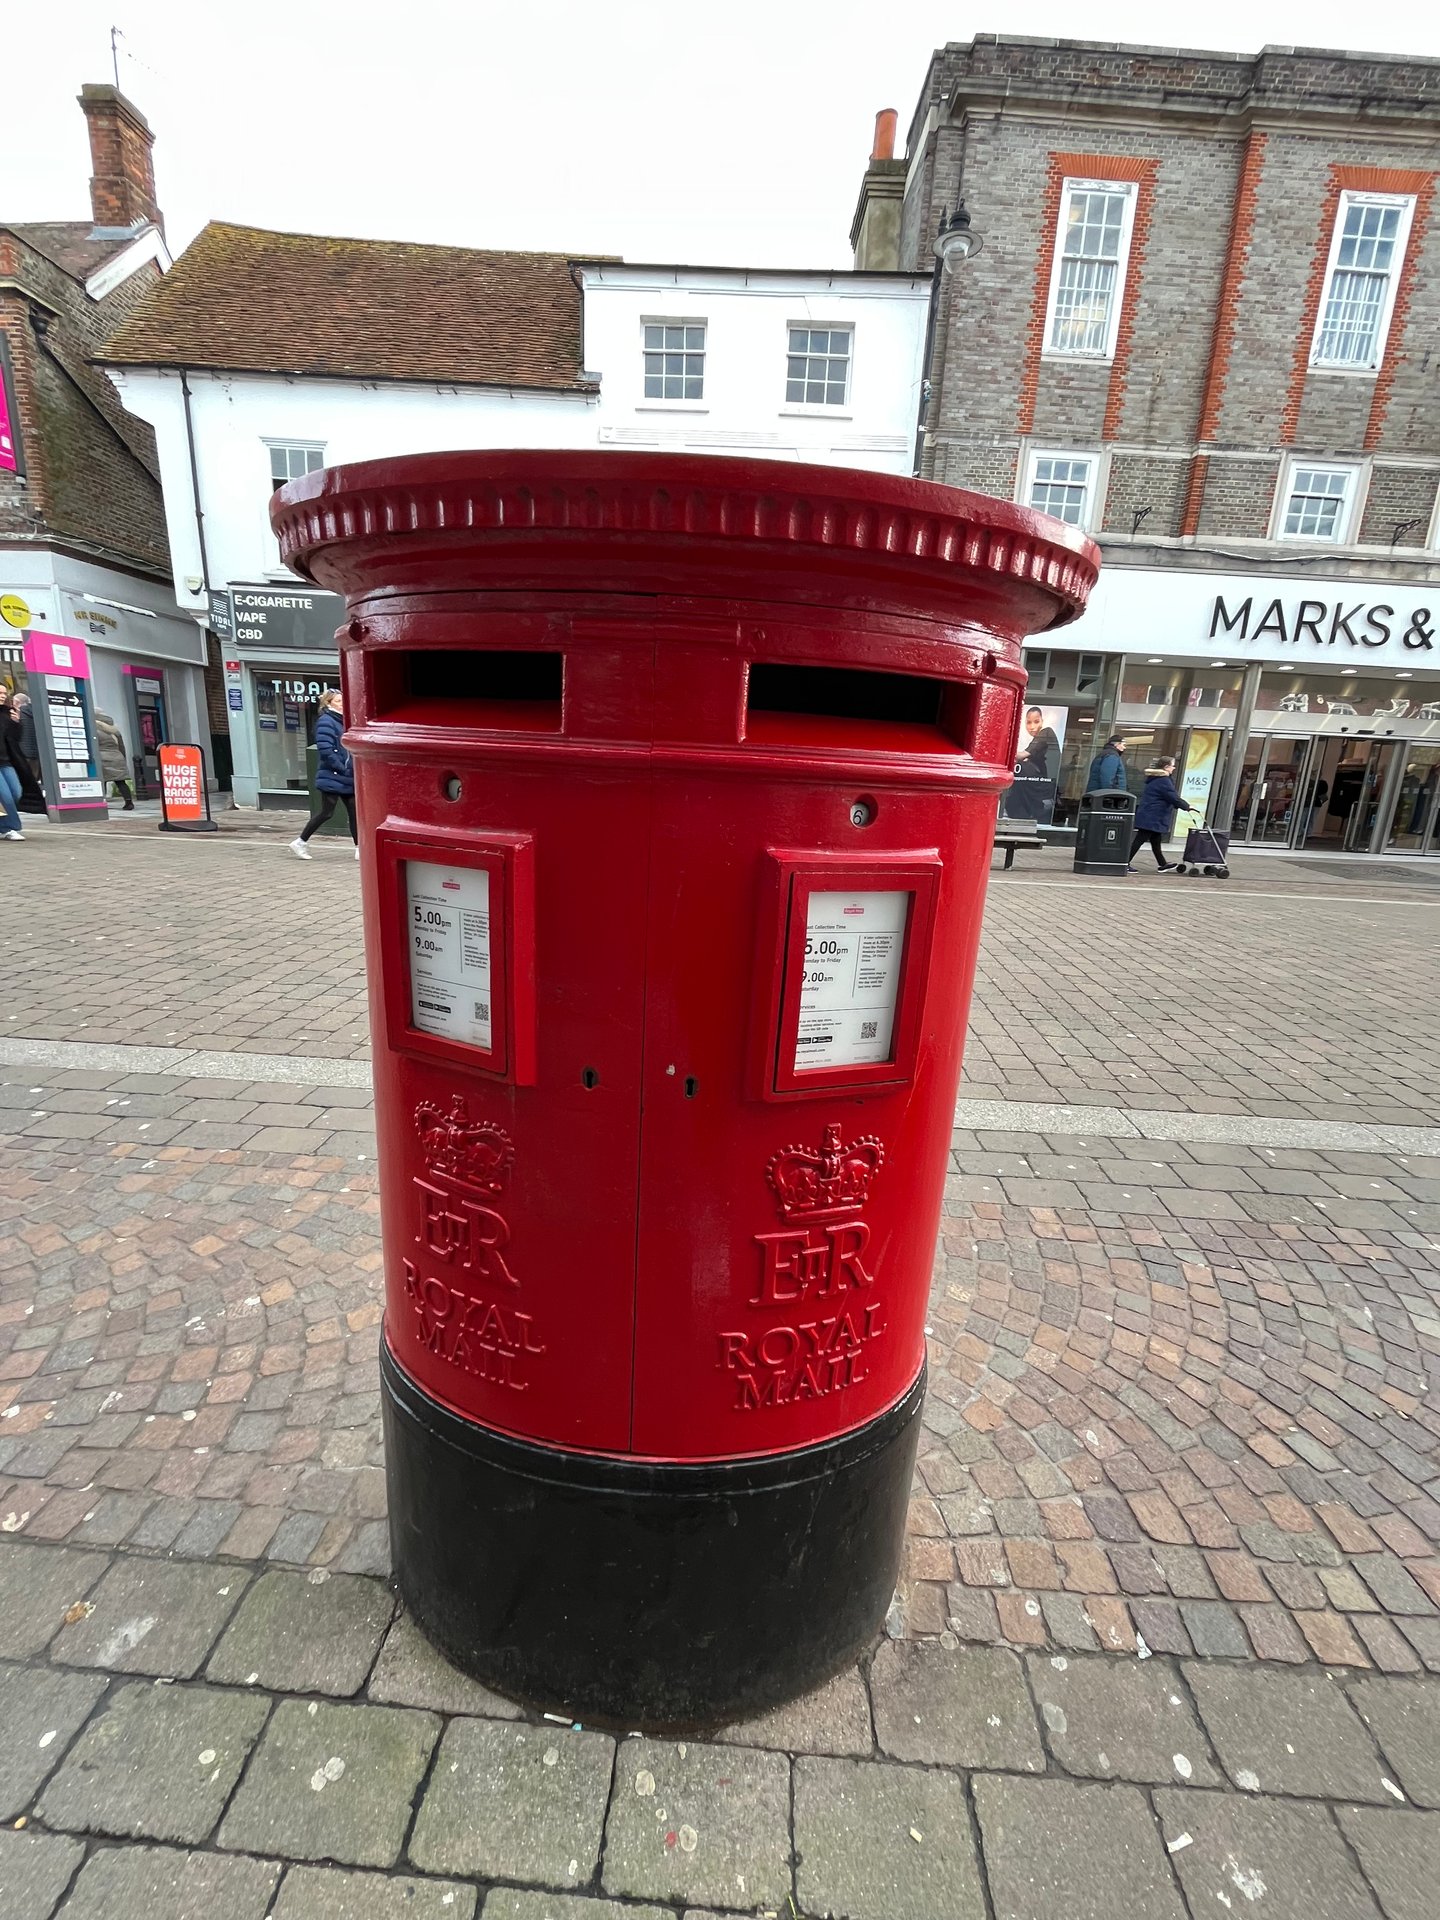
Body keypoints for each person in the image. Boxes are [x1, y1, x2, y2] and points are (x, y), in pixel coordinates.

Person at [289, 690, 357, 860]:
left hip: (345, 774)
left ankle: (359, 848)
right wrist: (342, 767)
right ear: (329, 703)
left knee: (354, 812)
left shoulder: (343, 721)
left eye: (343, 700)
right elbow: (326, 749)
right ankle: (300, 842)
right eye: (339, 701)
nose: (343, 703)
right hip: (333, 775)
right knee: (327, 812)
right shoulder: (327, 721)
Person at [1128, 756, 1195, 872]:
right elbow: (1172, 797)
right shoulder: (1163, 781)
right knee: (1140, 839)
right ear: (1166, 767)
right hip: (1153, 815)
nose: (1174, 768)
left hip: (1151, 813)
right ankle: (1125, 862)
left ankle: (1162, 864)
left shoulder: (1156, 779)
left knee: (1155, 839)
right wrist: (1187, 806)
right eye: (1173, 766)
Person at [9, 691, 46, 812]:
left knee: (22, 781)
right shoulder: (35, 713)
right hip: (35, 752)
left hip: (22, 752)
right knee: (33, 779)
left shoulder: (20, 714)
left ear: (18, 703)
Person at [0, 692, 29, 841]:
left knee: (16, 793)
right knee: (5, 796)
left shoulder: (6, 714)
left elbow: (15, 739)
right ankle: (8, 828)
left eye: (4, 693)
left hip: (6, 761)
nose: (2, 696)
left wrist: (17, 723)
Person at [93, 712, 136, 810]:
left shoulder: (95, 730)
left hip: (102, 758)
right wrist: (123, 759)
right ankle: (129, 802)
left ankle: (101, 803)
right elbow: (121, 746)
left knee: (101, 781)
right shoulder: (115, 731)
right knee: (121, 782)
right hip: (117, 757)